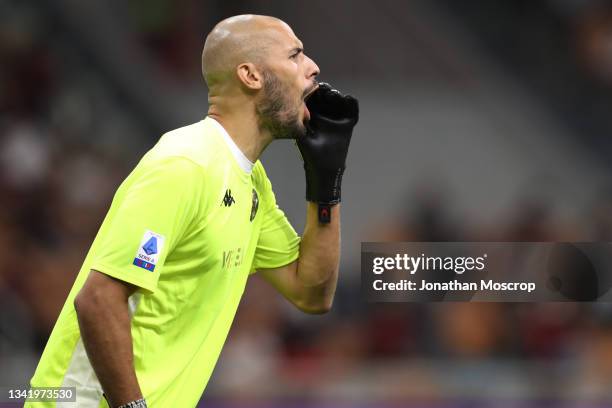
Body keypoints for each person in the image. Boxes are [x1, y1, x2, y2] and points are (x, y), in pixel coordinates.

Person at [26, 14, 358, 408]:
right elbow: (98, 300)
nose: (313, 68)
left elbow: (311, 293)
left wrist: (326, 182)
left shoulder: (251, 182)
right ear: (251, 76)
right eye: (295, 55)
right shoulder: (185, 164)